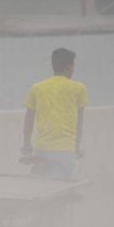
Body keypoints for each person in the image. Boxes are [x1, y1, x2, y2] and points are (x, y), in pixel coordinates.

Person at [22, 48, 89, 178]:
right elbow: (79, 123)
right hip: (66, 152)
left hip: (42, 151)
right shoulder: (79, 89)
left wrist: (26, 144)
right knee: (59, 185)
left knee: (38, 183)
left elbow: (28, 120)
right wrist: (77, 147)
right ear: (70, 67)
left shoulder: (36, 88)